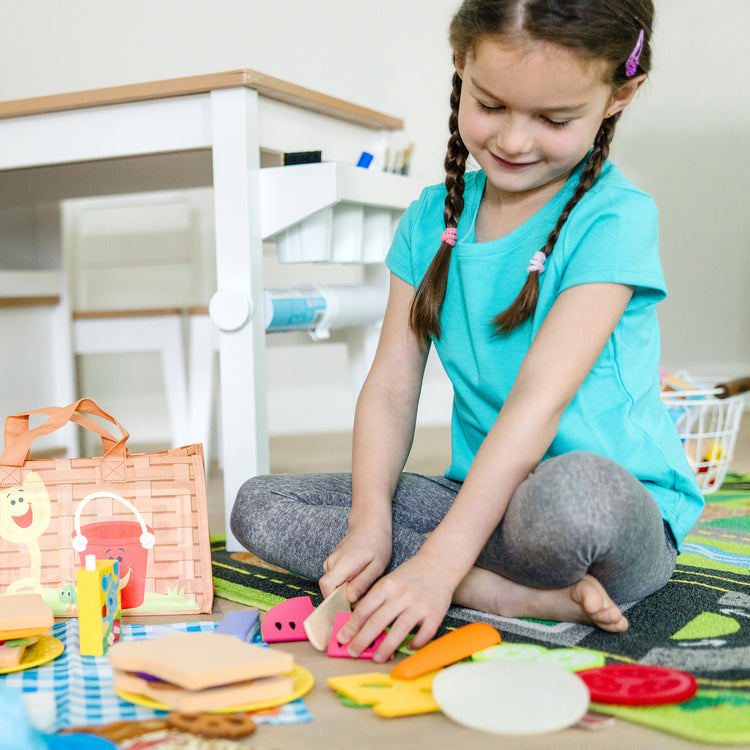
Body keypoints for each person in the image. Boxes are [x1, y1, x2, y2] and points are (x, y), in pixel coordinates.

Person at [231, 0, 704, 663]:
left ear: (621, 95)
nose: (513, 140)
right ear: (461, 66)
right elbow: (392, 387)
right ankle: (503, 594)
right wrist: (370, 519)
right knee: (259, 504)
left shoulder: (615, 219)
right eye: (490, 105)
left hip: (600, 518)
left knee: (574, 501)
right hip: (480, 504)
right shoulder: (430, 220)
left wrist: (438, 558)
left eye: (553, 119)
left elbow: (538, 404)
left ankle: (452, 571)